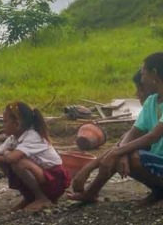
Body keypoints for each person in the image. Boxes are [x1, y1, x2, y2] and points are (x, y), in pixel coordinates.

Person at [69, 53, 163, 206]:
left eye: (144, 72)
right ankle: (91, 194)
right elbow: (133, 133)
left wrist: (118, 152)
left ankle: (159, 192)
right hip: (158, 160)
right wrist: (121, 153)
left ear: (154, 74)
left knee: (131, 156)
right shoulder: (152, 102)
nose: (142, 76)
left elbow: (154, 136)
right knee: (123, 153)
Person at [0, 101, 71, 212]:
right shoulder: (12, 139)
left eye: (5, 121)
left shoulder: (33, 136)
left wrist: (7, 153)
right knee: (6, 162)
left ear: (16, 124)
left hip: (54, 180)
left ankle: (42, 198)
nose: (3, 125)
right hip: (42, 176)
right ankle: (29, 197)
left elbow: (12, 158)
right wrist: (7, 156)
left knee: (18, 162)